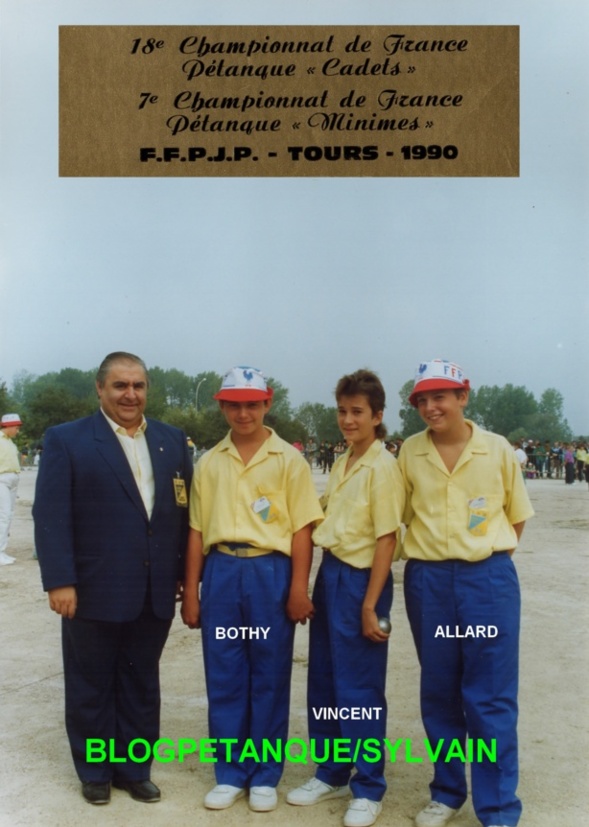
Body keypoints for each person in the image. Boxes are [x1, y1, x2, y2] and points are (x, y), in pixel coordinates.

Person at [33, 352, 192, 806]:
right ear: (100, 389)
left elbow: (180, 514)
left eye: (138, 385)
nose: (130, 394)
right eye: (120, 385)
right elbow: (50, 515)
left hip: (154, 589)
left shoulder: (171, 440)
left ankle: (134, 769)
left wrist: (180, 573)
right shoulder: (67, 439)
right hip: (92, 589)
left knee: (141, 681)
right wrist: (59, 580)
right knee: (92, 683)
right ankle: (95, 772)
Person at [397, 360, 534, 827]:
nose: (431, 407)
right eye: (422, 400)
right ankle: (448, 790)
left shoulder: (497, 450)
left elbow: (516, 516)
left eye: (441, 396)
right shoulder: (410, 453)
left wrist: (484, 561)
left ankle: (496, 806)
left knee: (490, 694)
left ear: (463, 396)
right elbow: (398, 515)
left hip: (487, 581)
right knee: (440, 690)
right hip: (429, 582)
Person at [181, 365, 323, 813]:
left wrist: (299, 588)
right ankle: (229, 773)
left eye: (252, 403)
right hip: (222, 572)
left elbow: (302, 529)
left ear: (268, 403)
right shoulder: (208, 462)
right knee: (224, 671)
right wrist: (192, 590)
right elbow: (197, 531)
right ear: (222, 405)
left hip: (270, 573)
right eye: (234, 404)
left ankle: (264, 774)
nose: (244, 413)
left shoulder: (289, 460)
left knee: (269, 673)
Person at [287, 370, 405, 827]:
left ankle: (369, 784)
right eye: (342, 411)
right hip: (332, 574)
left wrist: (370, 604)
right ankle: (332, 771)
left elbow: (386, 539)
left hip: (362, 581)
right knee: (327, 680)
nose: (348, 420)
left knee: (360, 686)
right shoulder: (344, 461)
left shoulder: (382, 466)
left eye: (358, 412)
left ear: (377, 416)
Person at [0, 413, 23, 566]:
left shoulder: (11, 443)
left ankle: (2, 550)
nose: (17, 430)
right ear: (8, 426)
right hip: (2, 479)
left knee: (9, 515)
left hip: (13, 480)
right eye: (16, 427)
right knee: (4, 515)